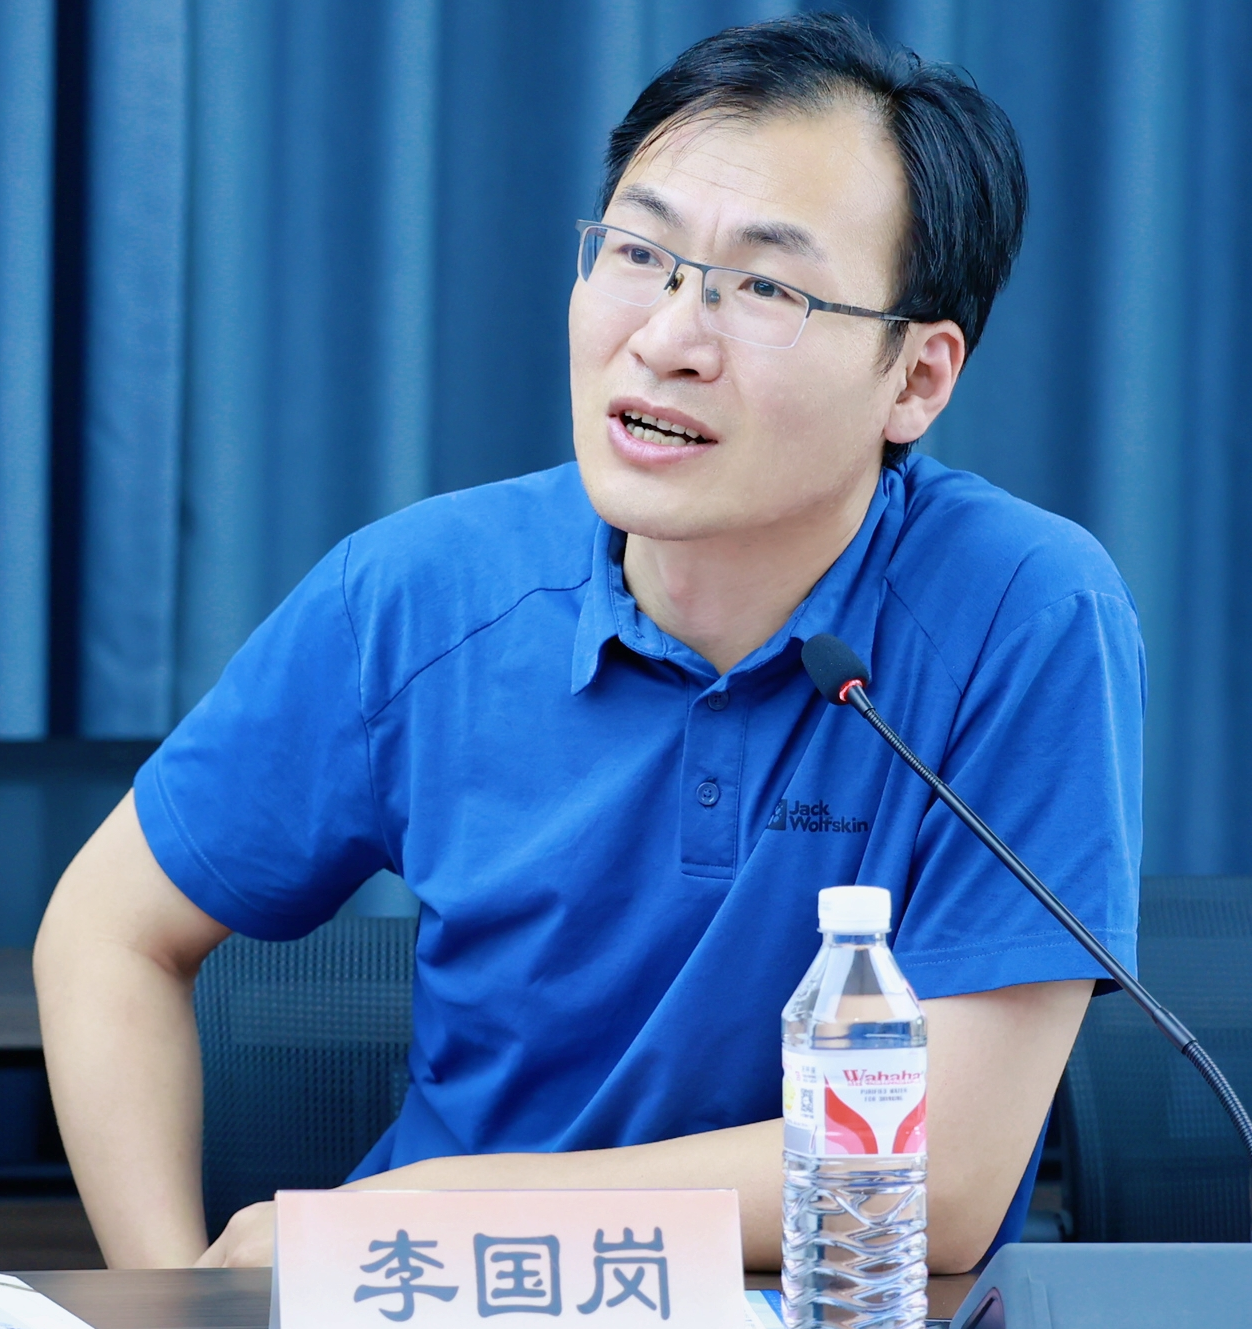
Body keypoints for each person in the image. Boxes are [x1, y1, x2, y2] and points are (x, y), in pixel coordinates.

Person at [34, 13, 1142, 1275]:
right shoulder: (419, 592)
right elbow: (106, 928)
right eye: (639, 253)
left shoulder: (1023, 611)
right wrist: (172, 1293)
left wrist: (431, 1210)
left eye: (767, 288)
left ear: (917, 379)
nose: (667, 337)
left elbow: (937, 1175)